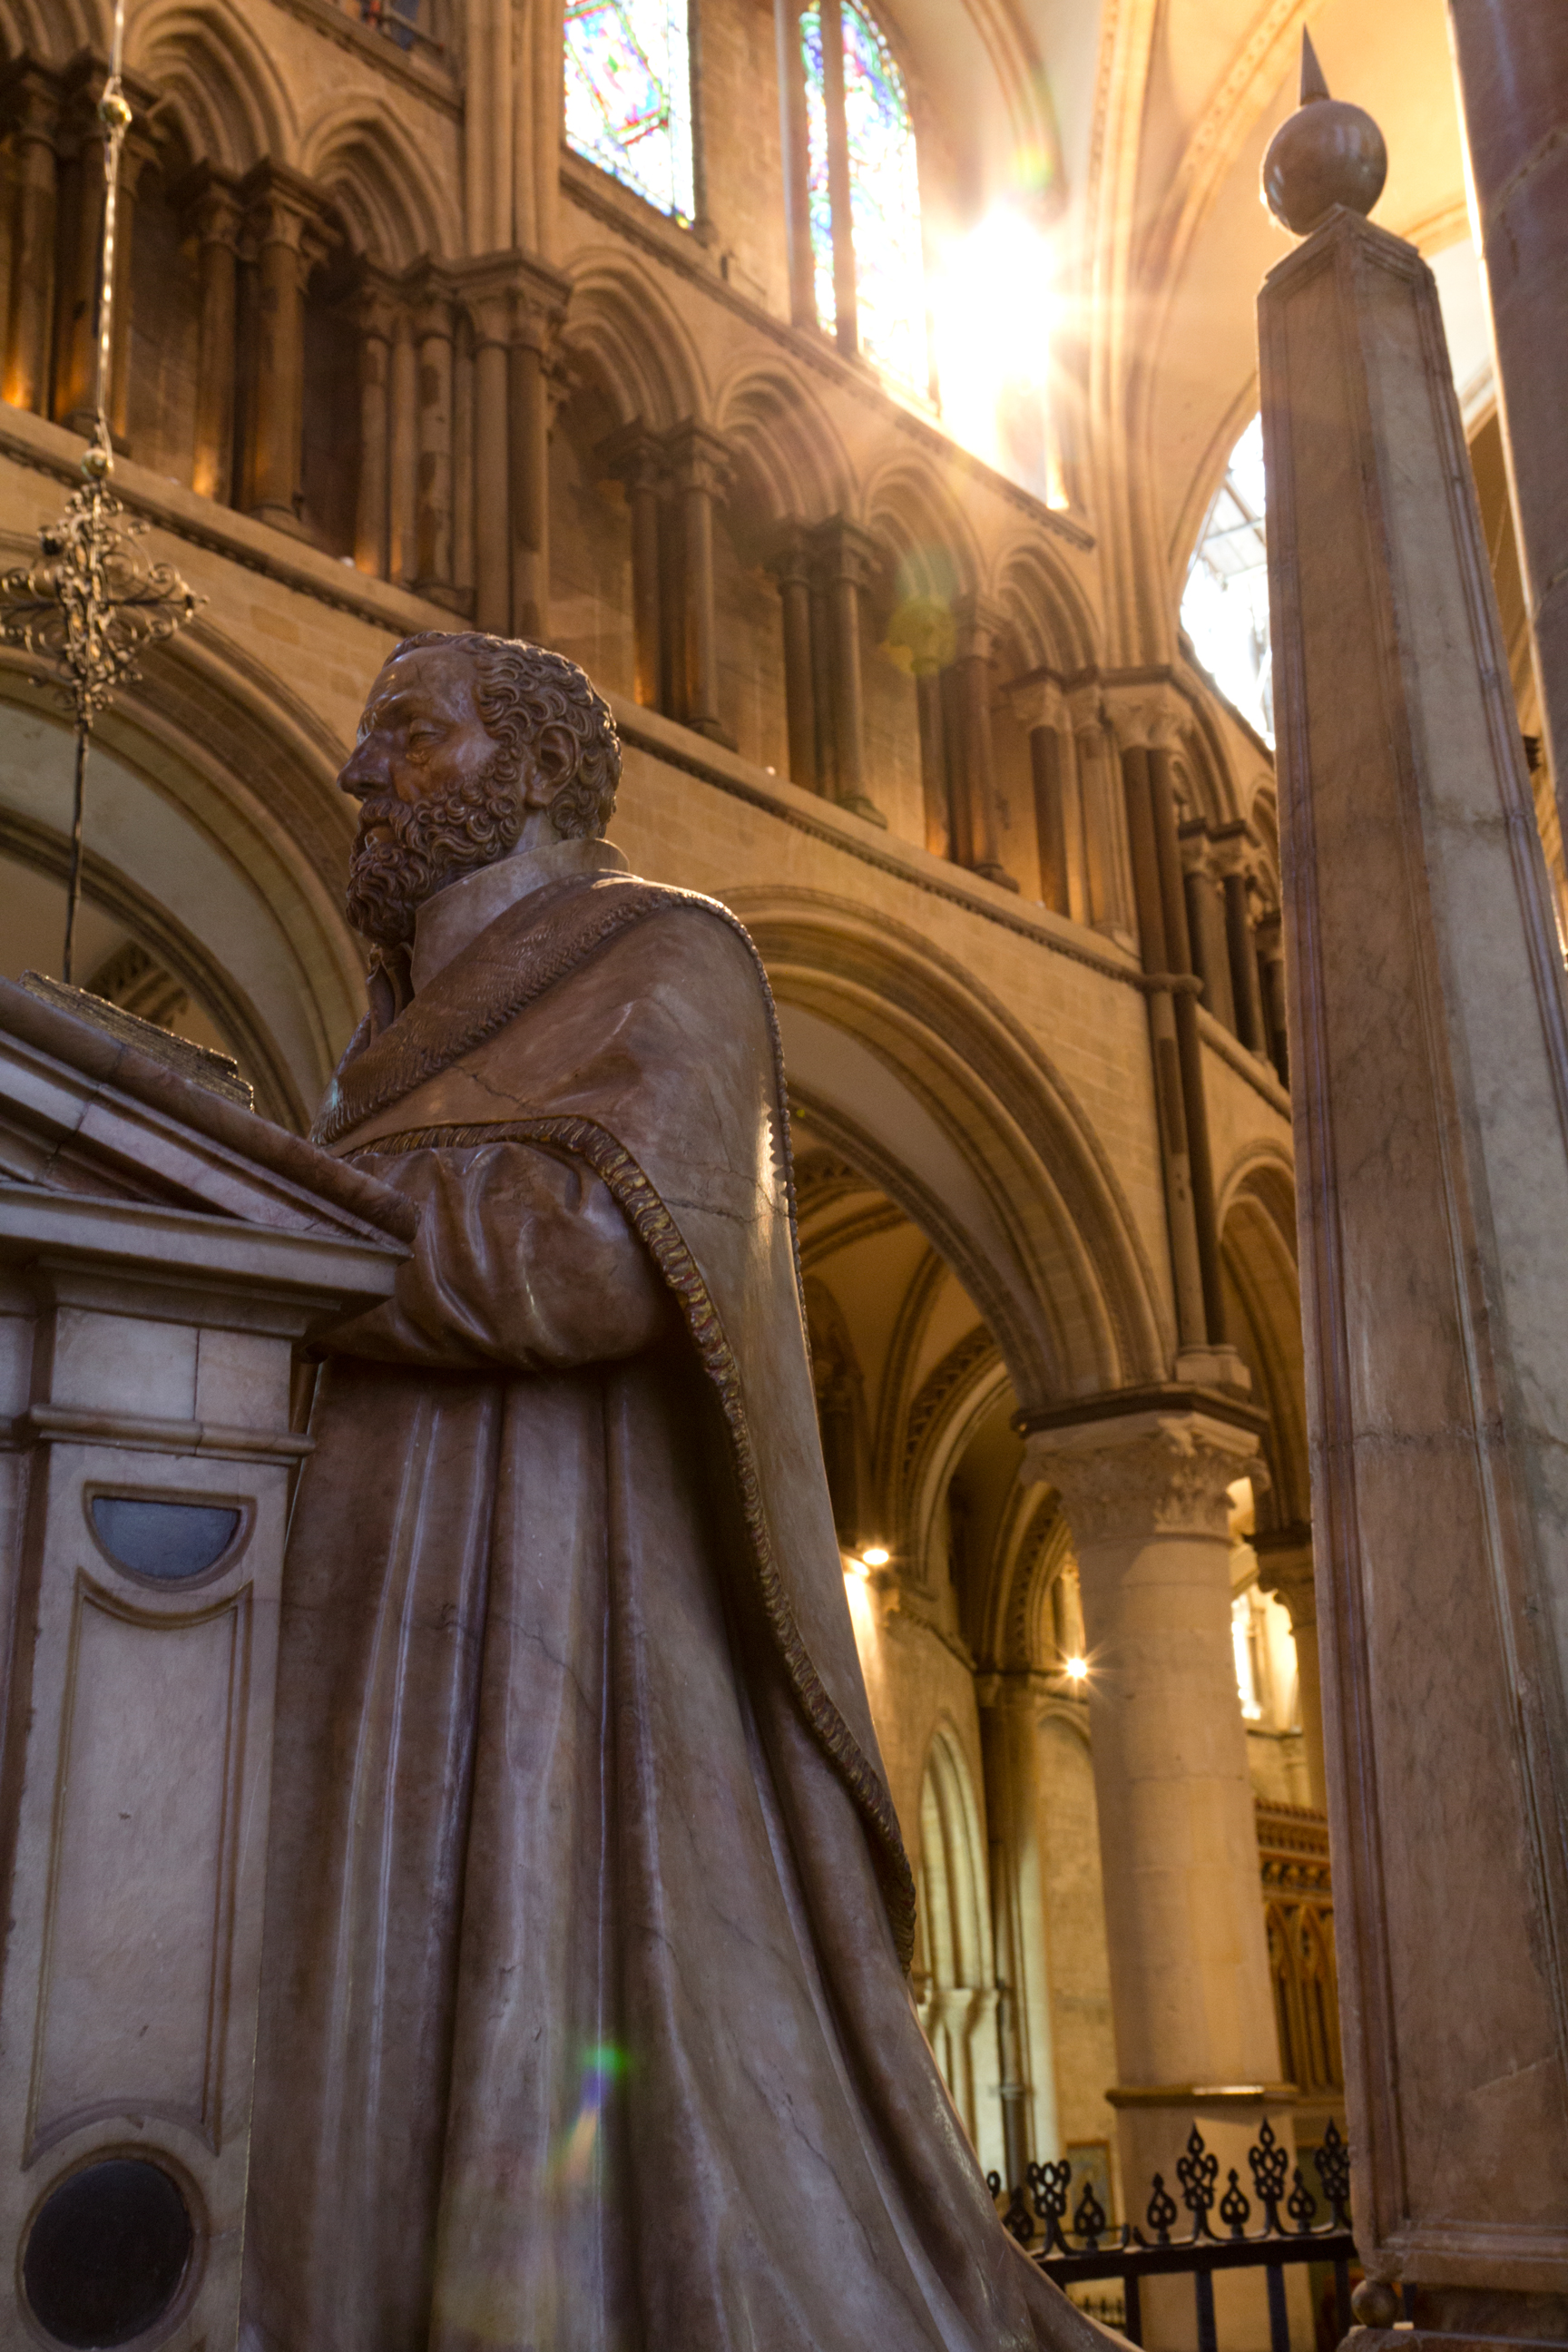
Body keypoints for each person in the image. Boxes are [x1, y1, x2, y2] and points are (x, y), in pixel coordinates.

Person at [242, 629, 1108, 2352]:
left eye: (408, 732)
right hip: (375, 1618)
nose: (358, 775)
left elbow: (592, 1271)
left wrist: (286, 1238)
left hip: (566, 1600)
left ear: (542, 765)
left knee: (540, 2010)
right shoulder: (373, 1057)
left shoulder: (668, 956)